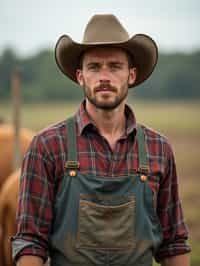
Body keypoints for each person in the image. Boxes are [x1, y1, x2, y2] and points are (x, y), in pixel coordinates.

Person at [12, 14, 191, 266]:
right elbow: (31, 242)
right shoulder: (47, 146)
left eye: (114, 66)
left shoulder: (158, 148)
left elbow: (174, 243)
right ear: (80, 76)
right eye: (94, 67)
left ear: (131, 75)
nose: (104, 76)